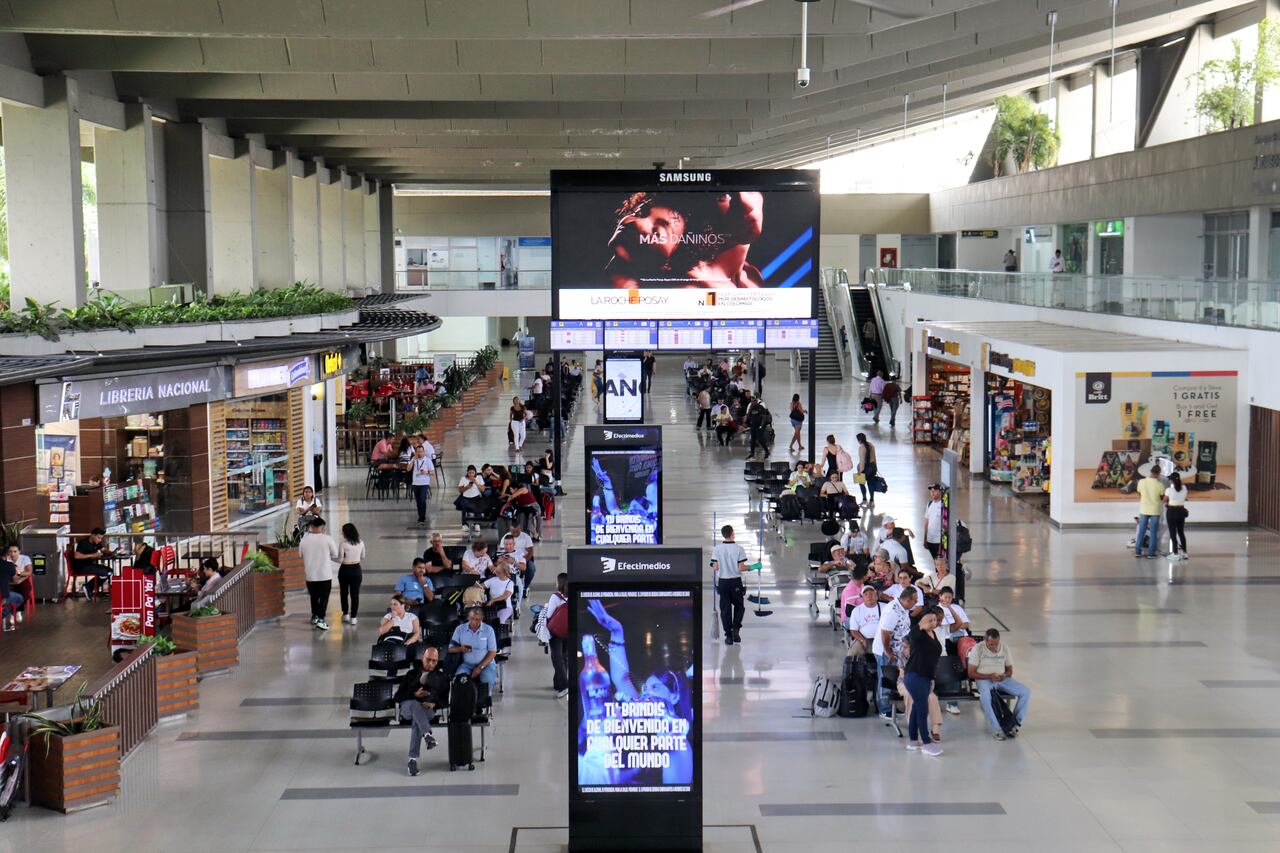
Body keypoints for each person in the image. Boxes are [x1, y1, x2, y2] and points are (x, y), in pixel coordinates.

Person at [967, 628, 1031, 741]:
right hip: (984, 679)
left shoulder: (1004, 647)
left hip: (1002, 679)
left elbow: (1010, 671)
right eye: (991, 644)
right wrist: (990, 676)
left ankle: (1013, 724)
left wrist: (1004, 675)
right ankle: (996, 728)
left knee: (1026, 692)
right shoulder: (978, 649)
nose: (994, 647)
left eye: (996, 644)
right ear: (985, 640)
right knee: (985, 697)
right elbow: (971, 673)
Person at [396, 645, 449, 776]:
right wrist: (414, 694)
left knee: (417, 722)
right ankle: (427, 735)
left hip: (427, 711)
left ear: (437, 661)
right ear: (422, 658)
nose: (431, 663)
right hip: (408, 706)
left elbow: (445, 699)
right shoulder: (411, 674)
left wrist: (434, 704)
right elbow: (398, 696)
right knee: (415, 705)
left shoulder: (441, 677)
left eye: (434, 661)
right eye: (428, 660)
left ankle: (412, 760)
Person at [903, 607, 944, 757]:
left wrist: (932, 678)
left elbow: (933, 658)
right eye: (929, 620)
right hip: (915, 676)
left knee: (916, 708)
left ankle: (913, 740)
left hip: (926, 677)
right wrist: (920, 625)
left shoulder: (933, 633)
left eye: (934, 620)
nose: (933, 623)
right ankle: (926, 743)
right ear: (921, 620)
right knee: (922, 709)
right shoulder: (917, 633)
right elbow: (912, 635)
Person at [872, 586, 917, 720]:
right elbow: (885, 633)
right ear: (908, 600)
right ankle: (884, 708)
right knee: (885, 679)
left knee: (893, 678)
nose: (916, 604)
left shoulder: (903, 608)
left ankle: (891, 707)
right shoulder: (893, 610)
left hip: (897, 651)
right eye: (915, 601)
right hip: (885, 652)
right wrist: (888, 652)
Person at [710, 524, 748, 646]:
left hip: (723, 582)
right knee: (739, 606)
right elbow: (741, 568)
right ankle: (736, 630)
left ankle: (728, 636)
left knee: (725, 610)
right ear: (731, 534)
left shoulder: (717, 549)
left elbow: (715, 567)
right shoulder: (739, 549)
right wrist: (753, 567)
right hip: (735, 581)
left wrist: (712, 564)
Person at [299, 517, 338, 630]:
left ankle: (314, 616)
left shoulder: (304, 540)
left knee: (314, 597)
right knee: (324, 598)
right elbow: (335, 554)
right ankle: (321, 619)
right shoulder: (327, 539)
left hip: (310, 575)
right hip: (324, 574)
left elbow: (300, 554)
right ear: (322, 527)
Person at [449, 606, 500, 693]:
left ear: (482, 619)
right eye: (472, 618)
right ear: (468, 617)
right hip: (467, 664)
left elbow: (492, 652)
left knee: (486, 684)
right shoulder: (460, 629)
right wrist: (460, 649)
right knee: (459, 682)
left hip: (486, 665)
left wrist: (480, 667)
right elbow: (450, 649)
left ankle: (485, 703)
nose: (474, 622)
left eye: (478, 619)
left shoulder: (488, 630)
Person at [541, 573, 571, 697]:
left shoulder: (555, 597)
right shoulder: (573, 595)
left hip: (556, 632)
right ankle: (558, 682)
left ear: (560, 583)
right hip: (569, 631)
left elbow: (548, 616)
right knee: (565, 657)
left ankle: (564, 686)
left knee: (557, 658)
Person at [73, 528, 116, 598]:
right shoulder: (83, 543)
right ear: (92, 535)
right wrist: (93, 555)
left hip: (90, 565)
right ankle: (88, 587)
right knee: (105, 572)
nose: (100, 540)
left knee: (109, 571)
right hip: (81, 567)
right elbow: (77, 556)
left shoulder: (96, 543)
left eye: (101, 538)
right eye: (98, 537)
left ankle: (89, 587)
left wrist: (112, 552)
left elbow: (103, 549)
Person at [337, 523, 366, 626]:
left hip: (345, 569)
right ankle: (354, 617)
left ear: (346, 533)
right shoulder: (361, 543)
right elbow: (363, 556)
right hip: (356, 569)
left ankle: (345, 614)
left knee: (344, 593)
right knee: (355, 594)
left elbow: (340, 559)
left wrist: (330, 558)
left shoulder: (343, 544)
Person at [1135, 467, 1164, 558]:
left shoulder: (1141, 482)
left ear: (1150, 471)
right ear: (1159, 473)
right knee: (1153, 532)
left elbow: (1139, 494)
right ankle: (1151, 553)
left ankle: (1138, 551)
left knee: (1141, 531)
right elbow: (1162, 497)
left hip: (1144, 509)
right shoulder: (1160, 484)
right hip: (1155, 510)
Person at [848, 583, 881, 654]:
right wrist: (862, 640)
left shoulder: (885, 607)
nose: (869, 596)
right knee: (852, 654)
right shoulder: (857, 610)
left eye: (871, 594)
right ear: (862, 598)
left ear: (876, 596)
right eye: (866, 594)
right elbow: (853, 630)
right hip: (863, 639)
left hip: (882, 639)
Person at [1, 547, 28, 631]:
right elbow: (16, 580)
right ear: (6, 555)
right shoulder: (8, 565)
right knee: (19, 598)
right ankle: (4, 614)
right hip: (2, 597)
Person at [1164, 471, 1190, 560]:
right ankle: (1185, 553)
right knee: (1181, 532)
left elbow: (1164, 500)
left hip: (1171, 512)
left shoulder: (1168, 490)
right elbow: (1185, 498)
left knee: (1173, 533)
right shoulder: (1184, 488)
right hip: (1181, 511)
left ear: (1171, 481)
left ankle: (1175, 553)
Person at [483, 558, 516, 624]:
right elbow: (482, 586)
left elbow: (505, 596)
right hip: (493, 607)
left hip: (505, 607)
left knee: (500, 621)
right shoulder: (493, 580)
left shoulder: (510, 583)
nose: (496, 573)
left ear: (505, 572)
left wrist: (492, 600)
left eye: (499, 572)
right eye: (496, 571)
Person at [409, 444, 434, 528]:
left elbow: (432, 472)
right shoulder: (414, 460)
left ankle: (422, 518)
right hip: (415, 483)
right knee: (418, 501)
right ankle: (420, 516)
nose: (420, 453)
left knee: (423, 500)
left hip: (424, 483)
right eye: (418, 452)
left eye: (421, 451)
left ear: (424, 452)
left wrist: (426, 472)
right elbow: (408, 469)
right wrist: (412, 460)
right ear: (416, 452)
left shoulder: (428, 460)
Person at [455, 465, 487, 533]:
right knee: (464, 507)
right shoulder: (463, 479)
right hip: (466, 497)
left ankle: (477, 524)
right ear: (467, 473)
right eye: (470, 473)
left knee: (478, 506)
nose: (471, 474)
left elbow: (483, 489)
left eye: (473, 472)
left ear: (475, 473)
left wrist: (476, 483)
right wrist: (467, 487)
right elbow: (460, 490)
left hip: (476, 497)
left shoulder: (479, 478)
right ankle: (464, 524)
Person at [922, 483, 944, 559]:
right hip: (930, 540)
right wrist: (925, 539)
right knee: (935, 562)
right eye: (931, 491)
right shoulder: (930, 504)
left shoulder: (944, 504)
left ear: (940, 491)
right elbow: (927, 522)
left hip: (939, 541)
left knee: (941, 562)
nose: (932, 493)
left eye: (934, 491)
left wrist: (942, 542)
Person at [856, 433, 877, 504]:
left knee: (861, 483)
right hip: (872, 467)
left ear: (859, 440)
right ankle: (872, 500)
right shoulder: (871, 445)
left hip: (865, 468)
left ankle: (864, 499)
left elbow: (862, 461)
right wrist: (875, 467)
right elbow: (874, 458)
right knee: (871, 484)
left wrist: (860, 471)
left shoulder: (861, 447)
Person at [312, 427, 324, 492]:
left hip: (315, 457)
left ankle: (315, 489)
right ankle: (319, 488)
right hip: (319, 456)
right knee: (317, 473)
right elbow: (322, 445)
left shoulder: (311, 436)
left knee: (313, 473)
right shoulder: (317, 434)